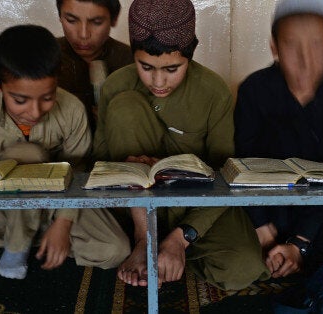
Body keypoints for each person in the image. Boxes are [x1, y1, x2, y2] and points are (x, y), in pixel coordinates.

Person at [0, 24, 130, 289]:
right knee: (25, 154)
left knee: (114, 250)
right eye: (20, 100)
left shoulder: (71, 110)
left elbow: (79, 173)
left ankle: (36, 240)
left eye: (47, 98)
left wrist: (61, 224)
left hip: (54, 203)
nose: (35, 111)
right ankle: (17, 245)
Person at [93, 0, 269, 290]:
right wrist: (133, 169)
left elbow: (225, 173)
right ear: (133, 54)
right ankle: (144, 242)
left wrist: (181, 237)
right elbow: (100, 162)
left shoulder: (213, 92)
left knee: (243, 267)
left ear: (191, 54)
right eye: (145, 66)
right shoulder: (116, 86)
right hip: (136, 206)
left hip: (196, 203)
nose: (158, 81)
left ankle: (169, 251)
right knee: (125, 107)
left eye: (172, 68)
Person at [234, 0, 323, 294]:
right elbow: (243, 164)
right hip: (265, 209)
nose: (305, 59)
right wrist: (262, 228)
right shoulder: (254, 90)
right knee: (238, 260)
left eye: (316, 44)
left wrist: (301, 242)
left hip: (322, 211)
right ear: (274, 46)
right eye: (292, 45)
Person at [56, 0, 133, 133]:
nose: (84, 34)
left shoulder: (133, 62)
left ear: (114, 19)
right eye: (71, 20)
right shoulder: (41, 59)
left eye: (96, 22)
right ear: (60, 17)